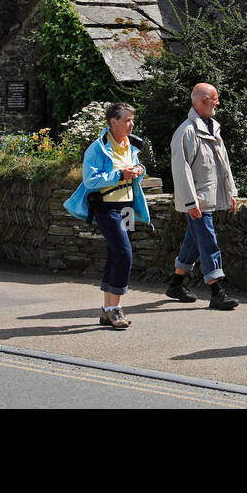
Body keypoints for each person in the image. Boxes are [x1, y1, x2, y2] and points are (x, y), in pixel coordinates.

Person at [63, 102, 149, 329]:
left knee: (116, 253)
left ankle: (107, 310)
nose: (132, 125)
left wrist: (139, 170)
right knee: (124, 253)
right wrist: (119, 174)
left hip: (127, 206)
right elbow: (90, 180)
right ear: (113, 121)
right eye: (127, 120)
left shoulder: (132, 144)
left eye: (132, 120)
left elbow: (135, 167)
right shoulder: (97, 148)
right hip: (107, 207)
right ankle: (114, 309)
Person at [167, 83, 239, 310]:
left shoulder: (212, 127)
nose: (217, 102)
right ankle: (216, 291)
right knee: (208, 240)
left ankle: (176, 284)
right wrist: (190, 201)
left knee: (193, 240)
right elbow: (181, 169)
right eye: (214, 98)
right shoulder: (186, 132)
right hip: (198, 199)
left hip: (206, 197)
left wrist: (231, 192)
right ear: (202, 100)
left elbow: (223, 164)